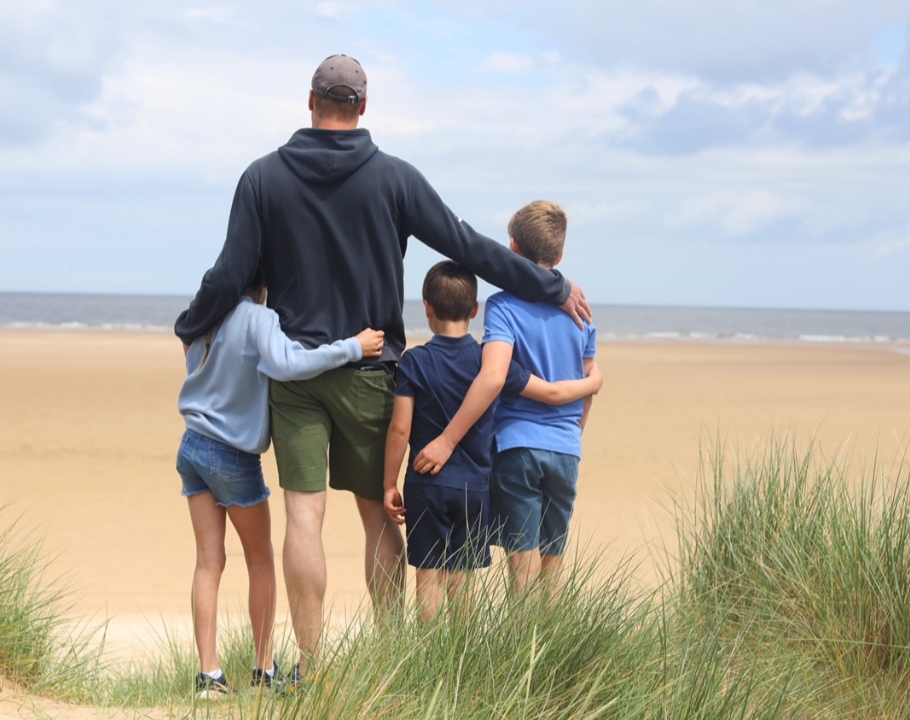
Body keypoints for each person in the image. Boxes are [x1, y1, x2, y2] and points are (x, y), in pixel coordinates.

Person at [173, 54, 593, 684]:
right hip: (374, 370)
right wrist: (549, 285)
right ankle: (394, 661)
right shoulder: (394, 178)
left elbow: (230, 276)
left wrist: (191, 324)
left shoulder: (262, 178)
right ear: (363, 107)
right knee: (377, 514)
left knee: (304, 516)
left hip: (297, 378)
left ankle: (310, 671)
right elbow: (468, 245)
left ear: (310, 100)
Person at [175, 267, 385, 698]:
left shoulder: (203, 317)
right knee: (261, 561)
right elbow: (288, 363)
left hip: (191, 446)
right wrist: (352, 347)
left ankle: (208, 676)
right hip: (231, 454)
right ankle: (263, 669)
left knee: (208, 562)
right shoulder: (257, 318)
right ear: (266, 284)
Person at [382, 261, 601, 621]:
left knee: (429, 575)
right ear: (474, 310)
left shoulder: (414, 361)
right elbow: (546, 391)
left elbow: (400, 430)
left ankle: (427, 657)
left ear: (427, 307)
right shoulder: (490, 363)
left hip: (426, 484)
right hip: (476, 487)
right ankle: (463, 658)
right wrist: (592, 384)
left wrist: (389, 482)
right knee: (463, 579)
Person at [411, 201, 596, 590]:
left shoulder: (503, 306)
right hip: (566, 448)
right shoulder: (580, 312)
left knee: (522, 563)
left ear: (511, 249)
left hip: (517, 447)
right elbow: (588, 381)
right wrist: (573, 432)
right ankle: (552, 647)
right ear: (560, 254)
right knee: (553, 561)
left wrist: (446, 441)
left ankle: (521, 649)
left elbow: (494, 377)